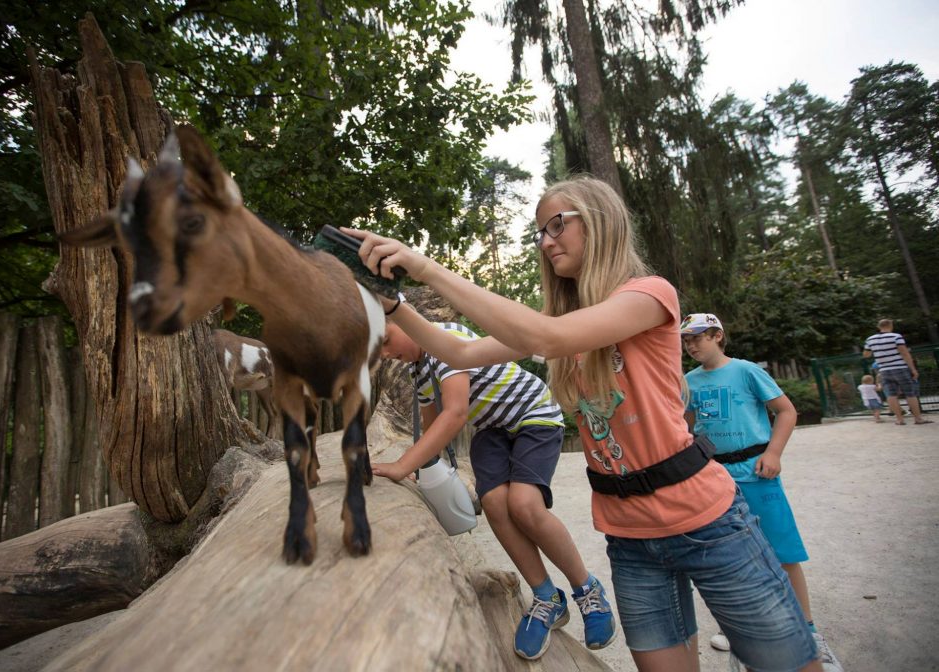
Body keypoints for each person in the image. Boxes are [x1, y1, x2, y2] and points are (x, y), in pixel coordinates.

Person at [344, 175, 823, 672]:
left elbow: (548, 338)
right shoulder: (559, 320)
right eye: (540, 233)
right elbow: (461, 350)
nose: (547, 241)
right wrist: (396, 304)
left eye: (557, 225)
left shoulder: (648, 294)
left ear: (601, 222)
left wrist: (427, 269)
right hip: (630, 537)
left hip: (706, 522)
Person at [374, 320, 616, 660]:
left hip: (533, 415)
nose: (387, 354)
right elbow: (431, 426)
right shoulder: (419, 372)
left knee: (524, 504)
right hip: (491, 428)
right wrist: (421, 468)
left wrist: (401, 465)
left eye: (386, 341)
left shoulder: (444, 340)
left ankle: (587, 589)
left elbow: (455, 413)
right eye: (381, 351)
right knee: (494, 503)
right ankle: (547, 597)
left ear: (405, 318)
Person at [681, 313, 843, 672]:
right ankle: (744, 635)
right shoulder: (688, 381)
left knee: (783, 552)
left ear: (718, 335)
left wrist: (773, 452)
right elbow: (688, 431)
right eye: (686, 340)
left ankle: (810, 633)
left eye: (697, 337)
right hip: (716, 479)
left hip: (756, 473)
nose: (691, 345)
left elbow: (786, 411)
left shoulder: (745, 370)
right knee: (730, 556)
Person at [863, 319, 930, 425]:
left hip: (884, 370)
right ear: (890, 325)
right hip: (900, 368)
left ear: (878, 326)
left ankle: (899, 419)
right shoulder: (896, 336)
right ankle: (918, 418)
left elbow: (866, 355)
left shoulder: (870, 339)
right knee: (910, 393)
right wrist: (913, 369)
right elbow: (904, 353)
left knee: (891, 395)